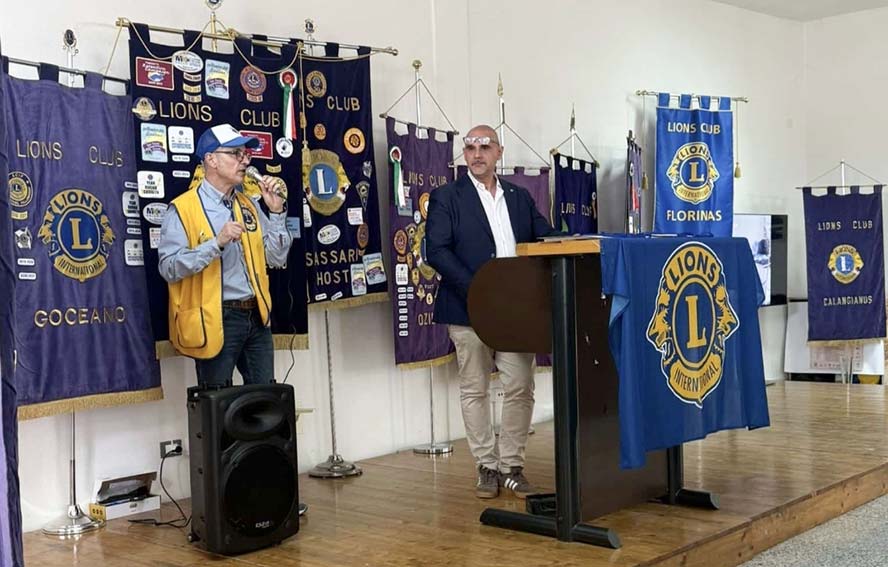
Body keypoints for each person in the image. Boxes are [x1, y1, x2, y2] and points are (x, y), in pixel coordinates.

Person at [425, 124, 560, 499]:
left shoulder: (518, 196)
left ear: (499, 152)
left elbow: (543, 236)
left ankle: (511, 465)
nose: (477, 153)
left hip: (515, 310)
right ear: (464, 155)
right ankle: (486, 465)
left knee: (520, 386)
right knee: (475, 389)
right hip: (467, 306)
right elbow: (436, 251)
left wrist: (578, 239)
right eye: (470, 148)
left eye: (485, 146)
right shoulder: (446, 197)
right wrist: (481, 290)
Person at [158, 124, 292, 387]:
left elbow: (276, 259)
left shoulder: (249, 205)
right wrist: (215, 243)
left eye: (246, 155)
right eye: (235, 154)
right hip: (216, 316)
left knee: (266, 401)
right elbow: (168, 267)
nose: (244, 161)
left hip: (256, 315)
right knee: (218, 407)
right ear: (211, 160)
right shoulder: (184, 208)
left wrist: (276, 214)